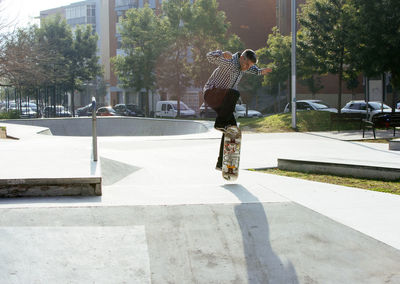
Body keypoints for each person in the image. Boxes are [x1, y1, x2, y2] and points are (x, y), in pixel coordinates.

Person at [203, 49, 271, 171]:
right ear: (242, 58)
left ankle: (221, 163)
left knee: (232, 130)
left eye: (249, 66)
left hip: (222, 100)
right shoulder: (229, 61)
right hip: (211, 94)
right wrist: (220, 53)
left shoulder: (243, 66)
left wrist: (261, 71)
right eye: (247, 65)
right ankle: (219, 123)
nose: (247, 68)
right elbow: (209, 56)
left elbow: (254, 70)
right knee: (234, 93)